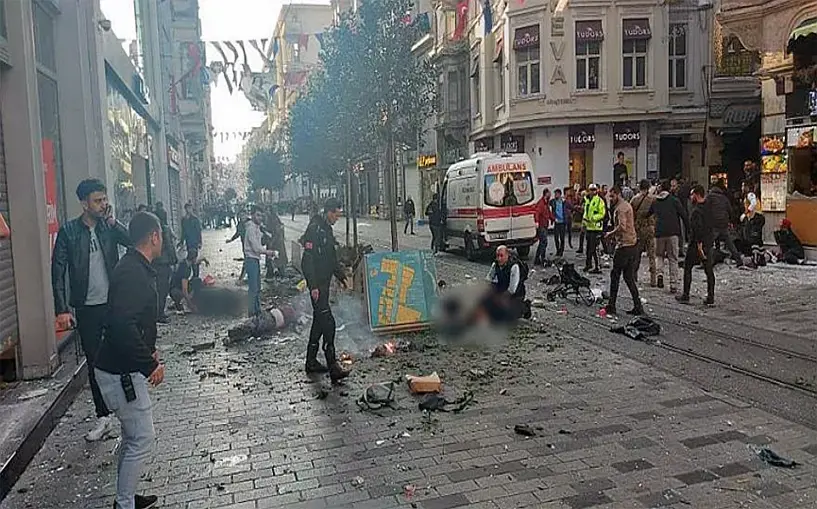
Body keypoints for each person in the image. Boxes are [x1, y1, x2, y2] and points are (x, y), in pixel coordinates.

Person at [51, 179, 131, 442]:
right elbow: (58, 270)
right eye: (98, 200)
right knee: (96, 364)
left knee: (123, 356)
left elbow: (131, 241)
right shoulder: (69, 232)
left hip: (114, 303)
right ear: (84, 203)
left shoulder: (108, 228)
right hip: (87, 309)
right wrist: (62, 309)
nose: (103, 204)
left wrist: (113, 222)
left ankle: (128, 413)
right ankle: (103, 416)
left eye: (104, 199)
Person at [94, 211, 164, 509]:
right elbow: (123, 325)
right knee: (142, 438)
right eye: (162, 236)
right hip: (121, 372)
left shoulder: (134, 266)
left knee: (131, 436)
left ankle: (125, 498)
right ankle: (124, 505)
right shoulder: (134, 272)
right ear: (154, 236)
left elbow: (132, 321)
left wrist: (148, 348)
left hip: (119, 367)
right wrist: (149, 364)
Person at [300, 198, 349, 382]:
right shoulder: (315, 229)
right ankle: (332, 365)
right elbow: (307, 260)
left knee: (319, 322)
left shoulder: (326, 229)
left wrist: (341, 276)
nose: (337, 218)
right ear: (329, 212)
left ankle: (311, 361)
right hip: (318, 287)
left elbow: (331, 259)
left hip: (324, 284)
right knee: (328, 323)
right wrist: (313, 286)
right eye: (336, 214)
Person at [603, 186, 644, 316]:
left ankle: (612, 305)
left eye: (612, 196)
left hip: (624, 246)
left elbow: (622, 226)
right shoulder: (627, 205)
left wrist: (610, 234)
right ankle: (638, 305)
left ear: (618, 195)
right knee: (628, 277)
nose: (610, 199)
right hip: (632, 244)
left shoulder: (620, 208)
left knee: (615, 275)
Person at [677, 186, 715, 305]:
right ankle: (710, 296)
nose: (690, 197)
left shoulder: (696, 211)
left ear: (697, 195)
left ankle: (686, 295)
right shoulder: (709, 208)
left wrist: (698, 244)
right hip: (708, 243)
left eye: (692, 194)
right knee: (709, 270)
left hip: (697, 245)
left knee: (688, 267)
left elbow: (697, 229)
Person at [650, 180, 689, 293]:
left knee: (659, 256)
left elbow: (649, 213)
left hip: (659, 233)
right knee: (673, 258)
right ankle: (673, 285)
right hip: (673, 233)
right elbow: (683, 215)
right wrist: (688, 230)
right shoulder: (674, 200)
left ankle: (660, 275)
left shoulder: (655, 201)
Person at [482, 246, 531, 323]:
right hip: (502, 290)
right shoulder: (495, 264)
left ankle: (525, 307)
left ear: (507, 255)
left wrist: (501, 299)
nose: (499, 259)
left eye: (501, 256)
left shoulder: (514, 267)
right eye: (497, 255)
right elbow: (488, 279)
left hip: (516, 294)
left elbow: (512, 289)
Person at [243, 205, 276, 316]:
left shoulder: (257, 228)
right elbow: (256, 248)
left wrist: (265, 233)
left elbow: (261, 242)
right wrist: (269, 252)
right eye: (257, 215)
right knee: (253, 288)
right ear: (252, 215)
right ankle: (252, 314)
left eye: (261, 215)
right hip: (251, 260)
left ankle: (257, 311)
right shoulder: (251, 229)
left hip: (255, 260)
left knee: (257, 287)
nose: (260, 218)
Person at [707, 181, 743, 267]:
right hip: (723, 223)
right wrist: (730, 221)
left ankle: (709, 262)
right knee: (730, 243)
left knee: (709, 243)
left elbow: (705, 209)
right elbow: (730, 211)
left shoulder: (710, 197)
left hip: (714, 223)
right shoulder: (724, 198)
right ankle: (738, 260)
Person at [630, 179, 657, 286]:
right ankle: (653, 279)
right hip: (650, 228)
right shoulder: (653, 199)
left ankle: (634, 276)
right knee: (652, 255)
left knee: (637, 254)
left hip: (638, 229)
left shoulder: (635, 199)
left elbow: (631, 214)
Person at [153, 213, 177, 324]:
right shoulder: (164, 229)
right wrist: (174, 259)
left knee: (157, 289)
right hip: (163, 263)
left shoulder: (152, 230)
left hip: (154, 262)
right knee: (163, 289)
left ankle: (157, 313)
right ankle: (160, 314)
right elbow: (169, 245)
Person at [170, 248, 209, 313]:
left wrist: (205, 260)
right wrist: (191, 306)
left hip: (174, 287)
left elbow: (199, 260)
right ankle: (180, 302)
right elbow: (184, 290)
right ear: (194, 259)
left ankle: (182, 301)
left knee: (197, 281)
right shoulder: (185, 270)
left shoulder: (185, 262)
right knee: (197, 283)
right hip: (175, 291)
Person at [582, 184, 606, 274]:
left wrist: (593, 218)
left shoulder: (599, 201)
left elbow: (602, 213)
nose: (592, 192)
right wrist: (584, 223)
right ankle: (588, 264)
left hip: (596, 228)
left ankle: (598, 266)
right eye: (591, 190)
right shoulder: (587, 200)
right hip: (589, 227)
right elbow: (586, 212)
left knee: (595, 248)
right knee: (588, 248)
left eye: (594, 190)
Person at [179, 203, 202, 276]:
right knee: (190, 257)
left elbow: (198, 231)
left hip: (194, 241)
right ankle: (193, 274)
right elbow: (183, 232)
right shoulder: (184, 220)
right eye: (187, 208)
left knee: (194, 258)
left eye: (189, 208)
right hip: (188, 241)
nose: (188, 210)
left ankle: (196, 275)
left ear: (191, 209)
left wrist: (200, 242)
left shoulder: (195, 219)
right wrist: (182, 242)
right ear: (185, 209)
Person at [226, 213, 250, 282]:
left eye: (243, 215)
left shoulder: (251, 222)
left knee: (249, 260)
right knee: (247, 260)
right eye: (241, 216)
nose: (242, 217)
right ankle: (247, 276)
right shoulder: (240, 224)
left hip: (251, 245)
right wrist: (231, 239)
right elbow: (237, 233)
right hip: (244, 245)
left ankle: (243, 277)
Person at [534, 188, 553, 265]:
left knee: (542, 242)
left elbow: (548, 212)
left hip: (544, 225)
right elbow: (537, 213)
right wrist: (537, 222)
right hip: (542, 225)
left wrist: (553, 219)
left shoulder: (546, 203)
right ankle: (541, 258)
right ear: (546, 194)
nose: (550, 195)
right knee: (544, 242)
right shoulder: (541, 203)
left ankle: (538, 258)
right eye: (549, 194)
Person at [550, 189, 567, 257]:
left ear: (560, 194)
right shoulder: (553, 201)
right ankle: (558, 250)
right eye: (555, 194)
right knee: (556, 237)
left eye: (556, 194)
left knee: (562, 238)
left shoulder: (564, 202)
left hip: (562, 222)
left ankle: (561, 251)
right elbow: (547, 202)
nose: (555, 195)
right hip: (556, 222)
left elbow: (570, 207)